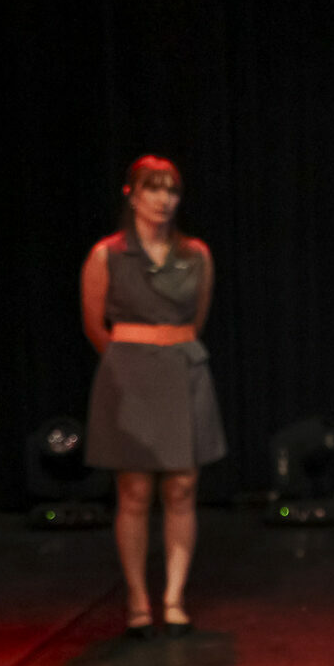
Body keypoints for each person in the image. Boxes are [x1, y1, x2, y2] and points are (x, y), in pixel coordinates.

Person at [80, 155, 227, 637]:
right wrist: (129, 363)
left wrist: (170, 349)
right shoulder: (108, 254)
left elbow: (198, 318)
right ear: (133, 195)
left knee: (182, 486)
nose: (163, 200)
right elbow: (94, 324)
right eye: (153, 189)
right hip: (130, 376)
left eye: (171, 190)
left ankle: (175, 597)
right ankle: (138, 599)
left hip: (182, 371)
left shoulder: (196, 254)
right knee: (135, 489)